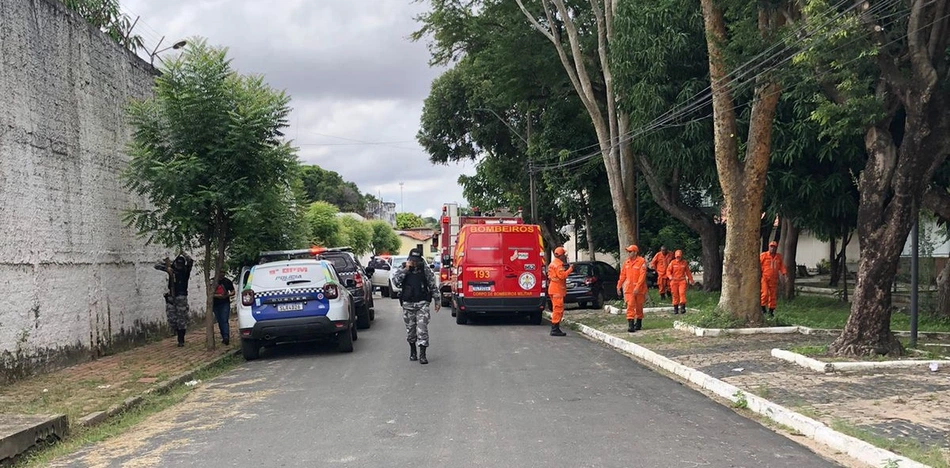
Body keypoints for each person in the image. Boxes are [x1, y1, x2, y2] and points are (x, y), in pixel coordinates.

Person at [392, 248, 440, 364]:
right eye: (413, 260)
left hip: (422, 303)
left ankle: (423, 354)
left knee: (422, 329)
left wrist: (437, 300)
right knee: (411, 331)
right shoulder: (404, 268)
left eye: (417, 260)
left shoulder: (425, 269)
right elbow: (396, 282)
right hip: (408, 304)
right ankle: (413, 351)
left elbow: (432, 285)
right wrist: (406, 270)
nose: (415, 262)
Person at [153, 254, 194, 347]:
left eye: (181, 264)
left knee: (181, 319)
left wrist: (183, 252)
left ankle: (181, 339)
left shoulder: (185, 271)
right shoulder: (171, 268)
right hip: (171, 297)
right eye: (178, 264)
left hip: (181, 297)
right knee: (172, 319)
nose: (179, 266)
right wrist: (167, 267)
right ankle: (176, 332)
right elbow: (156, 265)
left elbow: (190, 261)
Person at [617, 245, 647, 333]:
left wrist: (637, 287)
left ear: (635, 252)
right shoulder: (626, 263)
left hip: (639, 289)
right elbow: (622, 276)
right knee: (630, 306)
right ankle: (630, 325)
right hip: (629, 289)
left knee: (639, 306)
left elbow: (642, 276)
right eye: (628, 252)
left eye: (630, 252)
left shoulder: (641, 261)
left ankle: (638, 323)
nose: (629, 253)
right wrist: (618, 286)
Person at [547, 246, 573, 337]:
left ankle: (555, 328)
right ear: (561, 256)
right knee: (558, 309)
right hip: (557, 290)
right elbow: (562, 276)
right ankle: (555, 329)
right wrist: (570, 269)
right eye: (564, 254)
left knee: (556, 309)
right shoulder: (558, 265)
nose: (565, 256)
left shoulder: (552, 263)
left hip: (552, 288)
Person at [760, 240, 787, 317]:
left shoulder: (778, 257)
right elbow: (758, 265)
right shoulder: (764, 255)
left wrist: (784, 274)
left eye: (774, 247)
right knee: (764, 293)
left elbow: (782, 266)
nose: (772, 248)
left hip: (774, 279)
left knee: (772, 295)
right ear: (769, 247)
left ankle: (771, 311)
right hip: (764, 278)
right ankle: (763, 309)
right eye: (771, 247)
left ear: (776, 248)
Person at [667, 250, 694, 315]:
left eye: (679, 257)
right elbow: (668, 271)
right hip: (674, 281)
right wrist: (670, 276)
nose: (678, 258)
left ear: (681, 256)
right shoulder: (672, 263)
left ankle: (682, 308)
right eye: (677, 257)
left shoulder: (684, 263)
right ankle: (675, 309)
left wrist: (691, 280)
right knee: (675, 295)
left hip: (682, 281)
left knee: (682, 293)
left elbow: (688, 272)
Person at [212, 270, 235, 346]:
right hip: (215, 304)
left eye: (223, 272)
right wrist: (217, 296)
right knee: (220, 321)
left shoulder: (227, 281)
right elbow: (209, 293)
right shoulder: (213, 282)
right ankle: (223, 336)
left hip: (225, 303)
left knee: (224, 320)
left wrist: (227, 295)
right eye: (220, 272)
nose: (222, 274)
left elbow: (233, 291)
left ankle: (226, 337)